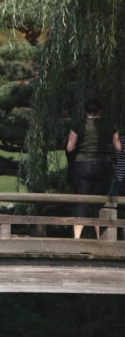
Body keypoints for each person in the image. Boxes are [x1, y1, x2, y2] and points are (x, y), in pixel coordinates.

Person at [66, 98, 121, 239]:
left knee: (81, 201)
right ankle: (99, 237)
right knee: (99, 202)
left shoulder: (78, 124)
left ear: (86, 111)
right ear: (100, 111)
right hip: (103, 165)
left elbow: (70, 147)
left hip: (82, 165)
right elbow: (118, 147)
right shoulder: (110, 125)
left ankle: (77, 238)